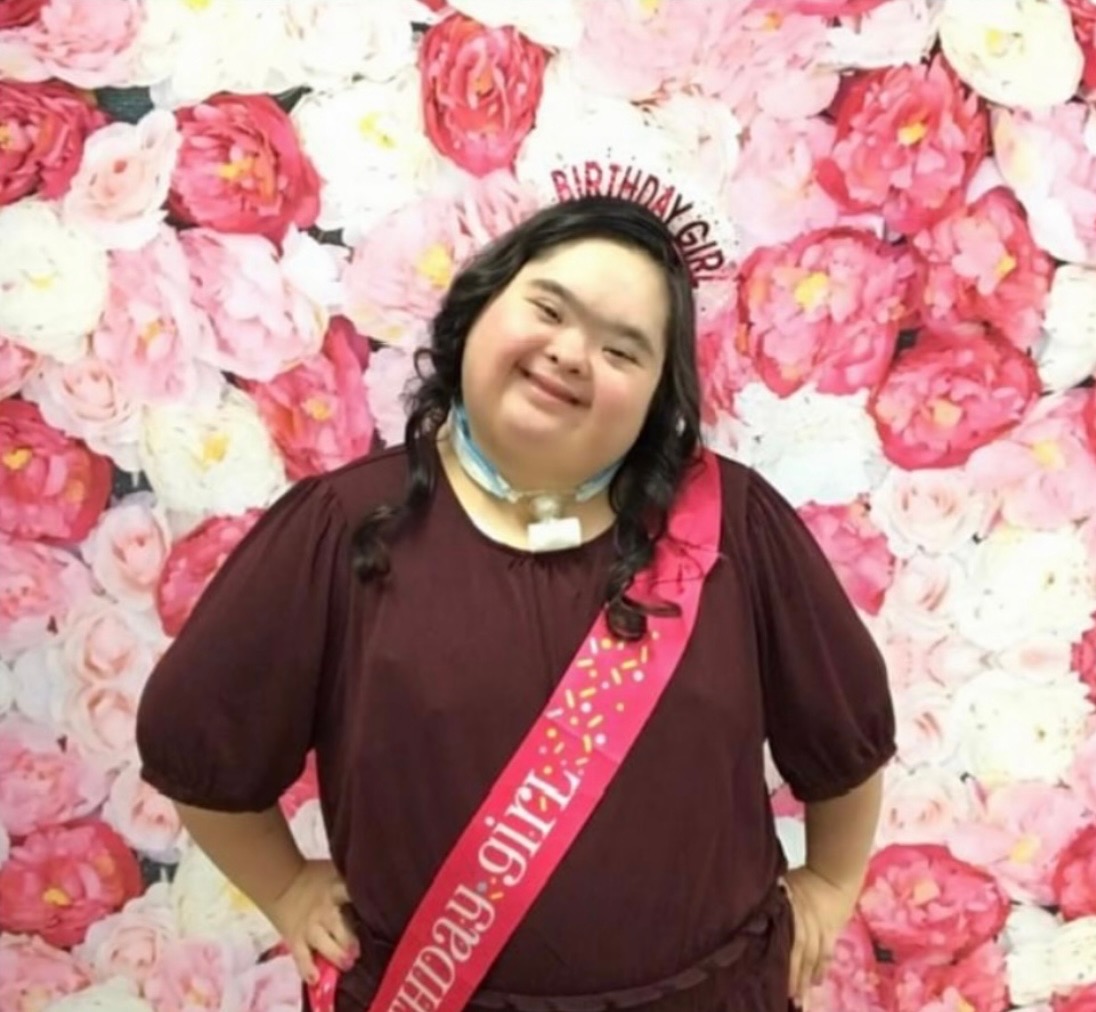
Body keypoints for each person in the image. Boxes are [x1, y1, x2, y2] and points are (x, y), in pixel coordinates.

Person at [136, 195, 895, 1012]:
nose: (571, 354)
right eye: (548, 310)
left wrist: (831, 884)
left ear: (657, 400)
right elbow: (197, 738)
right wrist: (287, 890)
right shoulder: (343, 528)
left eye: (622, 350)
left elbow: (845, 736)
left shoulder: (732, 526)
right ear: (477, 308)